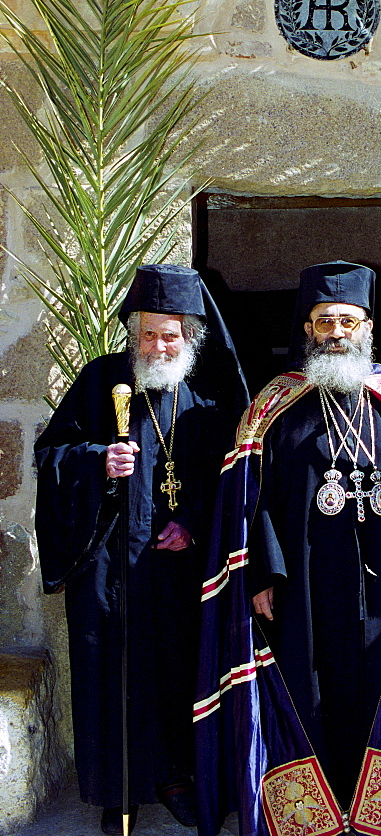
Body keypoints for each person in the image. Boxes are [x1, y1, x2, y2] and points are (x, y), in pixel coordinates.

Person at [194, 261, 381, 836]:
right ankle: (316, 810)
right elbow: (252, 500)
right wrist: (260, 575)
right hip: (301, 577)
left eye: (346, 321)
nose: (335, 332)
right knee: (311, 684)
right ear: (306, 330)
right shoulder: (274, 403)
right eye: (323, 321)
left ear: (367, 325)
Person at [35, 264, 248, 836]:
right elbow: (52, 452)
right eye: (148, 332)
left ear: (191, 337)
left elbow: (230, 480)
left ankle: (179, 776)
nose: (158, 344)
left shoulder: (208, 397)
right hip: (109, 564)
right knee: (113, 669)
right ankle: (117, 787)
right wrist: (97, 461)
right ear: (135, 332)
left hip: (179, 566)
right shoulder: (102, 378)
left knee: (182, 667)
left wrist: (194, 527)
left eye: (170, 334)